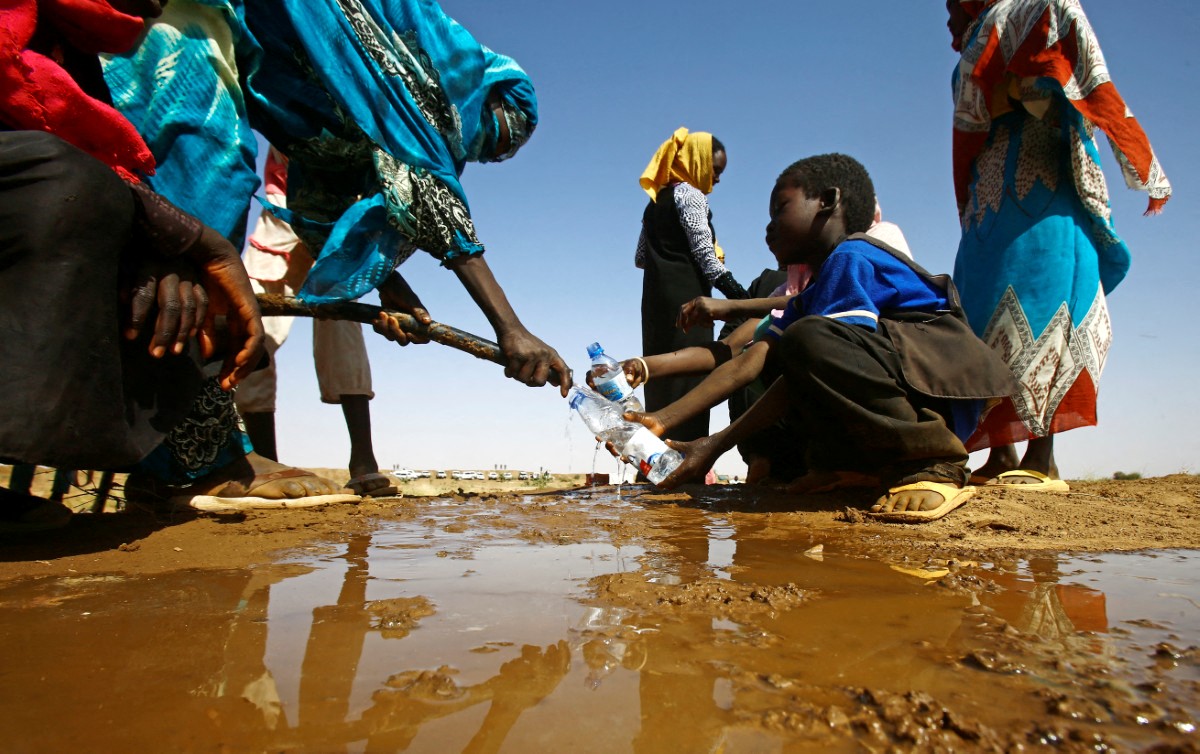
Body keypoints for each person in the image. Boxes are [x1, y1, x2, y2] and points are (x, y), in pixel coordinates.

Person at [0, 0, 355, 532]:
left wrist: (162, 232)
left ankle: (189, 452)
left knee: (126, 218)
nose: (155, 4)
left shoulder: (69, 49)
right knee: (73, 190)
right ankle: (193, 457)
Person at [640, 154, 1017, 522]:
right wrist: (661, 420)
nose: (768, 226)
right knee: (785, 350)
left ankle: (933, 461)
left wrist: (716, 443)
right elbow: (746, 364)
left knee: (809, 343)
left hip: (941, 391)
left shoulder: (853, 256)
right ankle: (854, 467)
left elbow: (812, 362)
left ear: (829, 201)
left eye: (779, 209)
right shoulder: (814, 293)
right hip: (910, 381)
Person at [946, 0, 1171, 491]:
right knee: (980, 318)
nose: (948, 21)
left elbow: (1068, 78)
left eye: (952, 8)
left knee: (1044, 309)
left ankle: (1041, 456)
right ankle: (999, 453)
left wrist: (1022, 84)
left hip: (1044, 197)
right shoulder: (976, 48)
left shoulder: (1027, 13)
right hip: (988, 211)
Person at [235, 147, 394, 497]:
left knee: (341, 318)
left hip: (338, 217)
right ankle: (266, 462)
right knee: (252, 326)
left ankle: (363, 462)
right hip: (281, 212)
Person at [635, 127, 747, 442]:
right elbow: (705, 256)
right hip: (687, 297)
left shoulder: (654, 202)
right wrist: (741, 297)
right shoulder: (690, 195)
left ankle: (658, 451)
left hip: (655, 299)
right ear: (697, 162)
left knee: (658, 371)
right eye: (715, 170)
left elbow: (641, 257)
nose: (718, 179)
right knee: (691, 373)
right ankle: (684, 448)